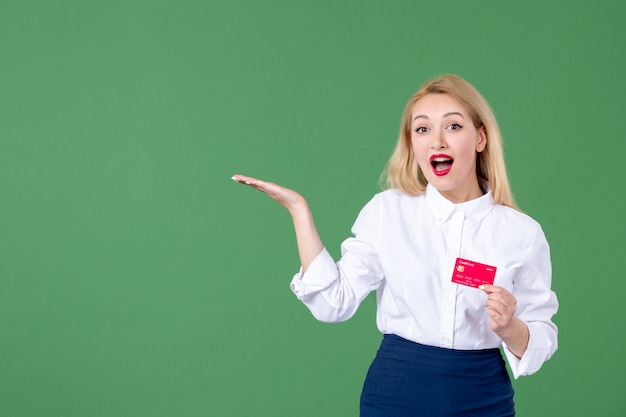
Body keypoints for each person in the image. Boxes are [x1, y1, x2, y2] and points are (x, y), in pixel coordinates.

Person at [232, 74, 558, 416]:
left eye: (453, 127)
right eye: (422, 129)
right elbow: (333, 302)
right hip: (396, 393)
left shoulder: (522, 233)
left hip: (482, 396)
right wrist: (299, 211)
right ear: (412, 142)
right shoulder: (387, 211)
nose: (437, 142)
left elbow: (541, 336)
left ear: (480, 138)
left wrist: (510, 327)